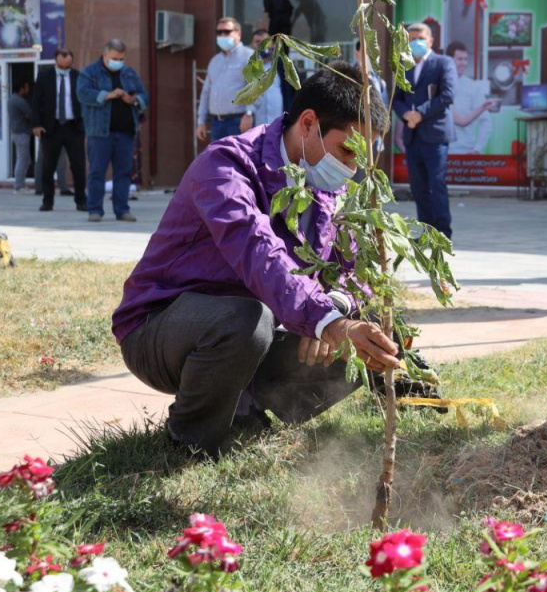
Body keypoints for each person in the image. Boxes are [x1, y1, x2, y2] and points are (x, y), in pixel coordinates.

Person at [112, 63, 399, 458]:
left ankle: (250, 414)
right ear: (309, 122)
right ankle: (190, 441)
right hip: (162, 329)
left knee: (376, 337)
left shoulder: (322, 188)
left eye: (362, 160)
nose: (352, 170)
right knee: (248, 320)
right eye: (347, 151)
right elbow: (258, 250)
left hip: (252, 331)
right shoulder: (226, 167)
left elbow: (348, 271)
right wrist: (325, 322)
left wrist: (336, 309)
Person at [391, 23, 457, 239]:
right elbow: (396, 99)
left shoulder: (443, 63)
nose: (415, 42)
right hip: (412, 134)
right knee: (418, 188)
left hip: (435, 134)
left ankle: (443, 233)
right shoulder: (405, 65)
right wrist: (406, 115)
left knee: (436, 184)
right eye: (411, 39)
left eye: (419, 38)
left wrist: (419, 113)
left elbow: (447, 95)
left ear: (430, 40)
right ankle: (427, 232)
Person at [77, 38, 149, 223]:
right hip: (100, 133)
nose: (118, 62)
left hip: (125, 132)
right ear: (105, 54)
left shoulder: (129, 73)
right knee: (97, 172)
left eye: (121, 58)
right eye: (115, 58)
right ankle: (94, 210)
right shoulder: (89, 73)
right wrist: (107, 95)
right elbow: (82, 94)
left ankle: (122, 209)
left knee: (123, 173)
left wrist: (134, 100)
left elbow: (144, 95)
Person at [32, 48, 87, 211]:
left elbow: (84, 100)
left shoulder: (78, 76)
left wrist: (84, 124)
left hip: (73, 127)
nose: (66, 58)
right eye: (63, 55)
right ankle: (47, 201)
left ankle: (81, 200)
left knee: (78, 166)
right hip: (51, 127)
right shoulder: (44, 76)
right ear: (56, 58)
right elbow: (36, 102)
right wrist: (36, 124)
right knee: (48, 166)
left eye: (69, 56)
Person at [196, 17, 254, 143]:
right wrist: (201, 121)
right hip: (217, 124)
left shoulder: (249, 56)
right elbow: (206, 92)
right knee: (218, 162)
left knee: (238, 161)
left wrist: (249, 113)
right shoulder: (215, 60)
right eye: (219, 32)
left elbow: (255, 87)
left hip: (238, 122)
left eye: (227, 32)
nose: (222, 35)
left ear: (238, 33)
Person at [445, 41, 498, 156]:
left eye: (465, 59)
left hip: (465, 152)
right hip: (440, 152)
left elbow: (486, 122)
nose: (464, 63)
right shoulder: (437, 85)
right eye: (459, 59)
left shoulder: (473, 87)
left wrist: (477, 149)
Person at [247, 29, 284, 127]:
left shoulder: (282, 66)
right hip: (255, 126)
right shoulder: (248, 67)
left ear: (272, 45)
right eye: (257, 42)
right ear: (252, 45)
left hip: (278, 125)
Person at [6, 79, 33, 195]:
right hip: (21, 133)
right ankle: (18, 186)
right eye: (26, 87)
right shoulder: (19, 101)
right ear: (21, 89)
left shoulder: (12, 99)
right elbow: (31, 114)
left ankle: (21, 184)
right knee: (23, 160)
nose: (28, 90)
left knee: (25, 159)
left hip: (17, 133)